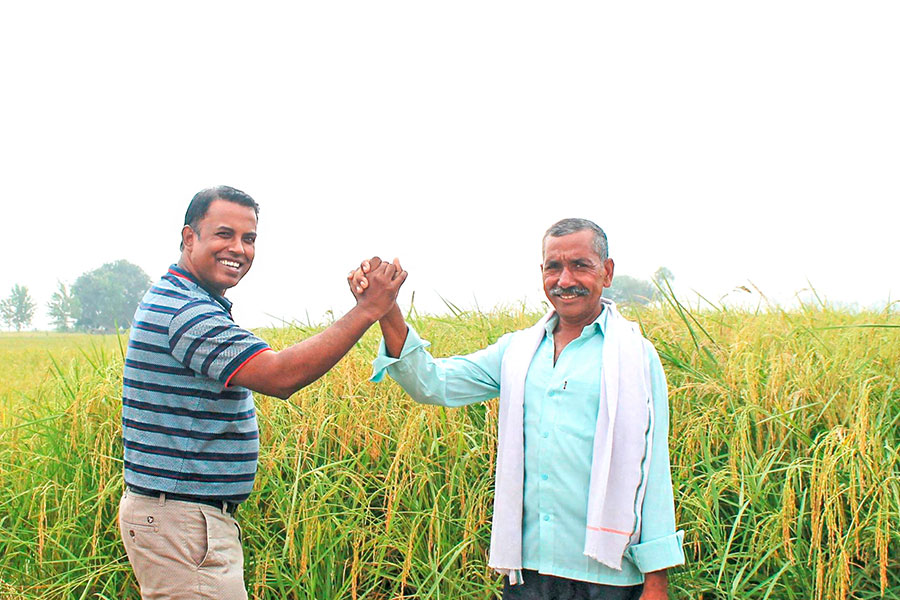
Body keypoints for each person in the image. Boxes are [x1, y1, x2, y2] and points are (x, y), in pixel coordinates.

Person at [350, 218, 684, 600]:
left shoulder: (636, 356)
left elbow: (653, 468)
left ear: (606, 272)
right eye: (553, 267)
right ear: (541, 273)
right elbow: (433, 383)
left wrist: (656, 582)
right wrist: (387, 309)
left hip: (609, 574)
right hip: (528, 573)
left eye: (581, 265)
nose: (565, 279)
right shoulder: (518, 352)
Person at [119, 185, 406, 600]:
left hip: (178, 518)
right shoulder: (186, 312)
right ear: (188, 238)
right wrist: (368, 310)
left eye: (248, 238)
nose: (238, 249)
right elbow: (279, 375)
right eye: (223, 234)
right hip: (181, 521)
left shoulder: (186, 298)